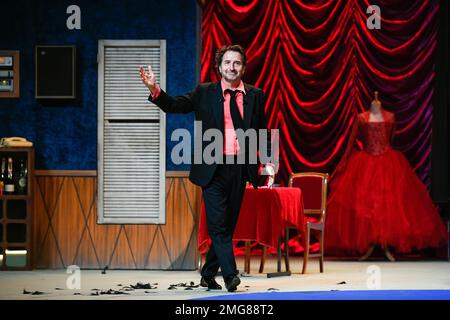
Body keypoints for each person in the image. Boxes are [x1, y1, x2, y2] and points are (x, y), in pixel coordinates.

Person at [139, 45, 274, 291]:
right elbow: (176, 106)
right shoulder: (205, 92)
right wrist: (154, 90)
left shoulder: (256, 95)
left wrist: (268, 160)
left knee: (228, 225)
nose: (232, 67)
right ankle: (231, 275)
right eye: (227, 63)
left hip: (241, 167)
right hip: (212, 168)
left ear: (243, 67)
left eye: (237, 63)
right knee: (218, 225)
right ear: (219, 67)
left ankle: (208, 273)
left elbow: (263, 129)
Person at [325, 91, 448, 260]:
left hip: (388, 164)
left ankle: (385, 245)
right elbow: (351, 142)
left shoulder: (391, 117)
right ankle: (371, 245)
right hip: (364, 163)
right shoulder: (361, 117)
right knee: (367, 206)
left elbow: (391, 138)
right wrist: (344, 163)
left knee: (390, 206)